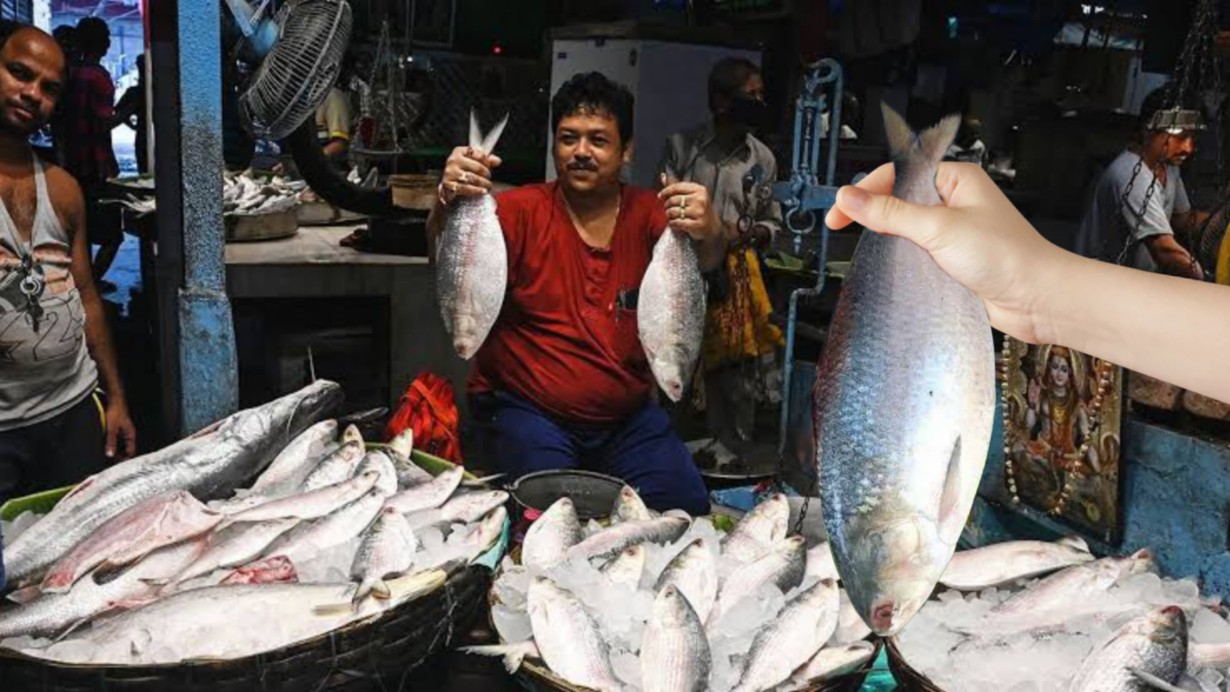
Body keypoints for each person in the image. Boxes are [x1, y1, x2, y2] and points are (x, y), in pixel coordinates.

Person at [426, 72, 726, 515]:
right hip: (528, 413)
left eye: (598, 141)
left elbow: (709, 258)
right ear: (554, 146)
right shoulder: (517, 210)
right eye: (568, 138)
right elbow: (444, 254)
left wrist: (712, 227)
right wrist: (446, 198)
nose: (581, 152)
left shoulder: (650, 216)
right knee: (550, 513)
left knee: (686, 509)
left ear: (626, 152)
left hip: (626, 421)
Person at [825, 162, 1230, 407]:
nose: (1188, 147)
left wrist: (1037, 296)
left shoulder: (1168, 175)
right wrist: (1036, 296)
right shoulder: (1131, 173)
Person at [0, 24, 138, 585]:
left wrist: (118, 398)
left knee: (78, 567)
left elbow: (85, 294)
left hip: (73, 410)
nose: (33, 93)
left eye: (49, 87)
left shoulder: (61, 187)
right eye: (18, 73)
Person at [659, 57, 784, 447]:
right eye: (751, 95)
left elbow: (773, 223)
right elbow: (660, 205)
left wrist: (746, 233)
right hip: (685, 275)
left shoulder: (762, 159)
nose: (759, 102)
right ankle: (667, 448)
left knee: (735, 378)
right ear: (721, 100)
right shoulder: (684, 148)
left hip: (737, 283)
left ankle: (728, 455)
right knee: (677, 366)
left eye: (762, 95)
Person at [1075, 87, 1207, 279]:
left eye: (1192, 138)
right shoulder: (1132, 175)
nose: (1188, 148)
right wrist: (1208, 284)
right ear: (1147, 131)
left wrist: (1223, 221)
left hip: (1134, 282)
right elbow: (1165, 251)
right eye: (1179, 137)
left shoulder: (1169, 167)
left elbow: (1182, 219)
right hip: (1100, 283)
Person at [61, 17, 124, 291]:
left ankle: (80, 283)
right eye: (107, 38)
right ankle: (92, 284)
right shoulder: (98, 76)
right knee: (113, 235)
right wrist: (130, 109)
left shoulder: (69, 74)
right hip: (96, 167)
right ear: (101, 43)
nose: (110, 42)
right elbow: (103, 123)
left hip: (71, 165)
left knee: (79, 232)